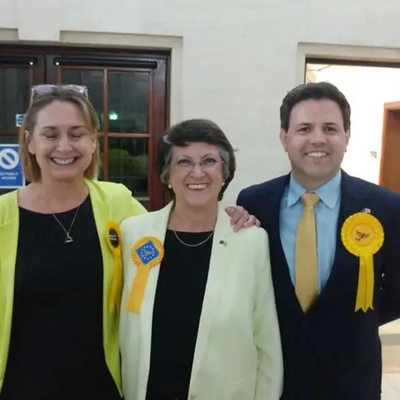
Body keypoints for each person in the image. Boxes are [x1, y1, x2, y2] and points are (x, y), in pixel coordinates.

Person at [0, 85, 256, 400]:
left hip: (102, 387)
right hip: (21, 388)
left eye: (77, 134)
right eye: (51, 134)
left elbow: (175, 232)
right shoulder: (2, 218)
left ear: (93, 141)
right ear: (30, 141)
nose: (64, 146)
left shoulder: (117, 203)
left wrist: (231, 220)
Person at [237, 81, 400, 400]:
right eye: (304, 128)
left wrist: (352, 320)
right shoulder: (254, 201)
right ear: (284, 138)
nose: (317, 139)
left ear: (347, 136)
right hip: (272, 382)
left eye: (330, 128)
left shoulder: (386, 207)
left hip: (351, 382)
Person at [119, 119, 283, 400]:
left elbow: (266, 342)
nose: (197, 172)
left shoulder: (251, 241)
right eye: (183, 162)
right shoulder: (133, 233)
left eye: (209, 161)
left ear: (224, 173)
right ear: (167, 174)